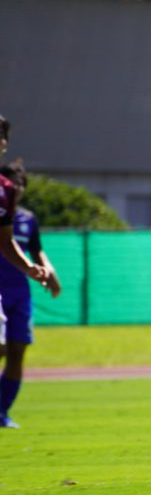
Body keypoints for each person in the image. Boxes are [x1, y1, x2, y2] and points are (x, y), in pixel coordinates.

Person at [0, 157, 63, 428]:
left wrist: (48, 271)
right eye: (15, 184)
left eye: (22, 185)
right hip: (1, 289)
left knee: (17, 350)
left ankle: (2, 411)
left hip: (20, 293)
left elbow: (37, 250)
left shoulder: (27, 220)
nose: (18, 188)